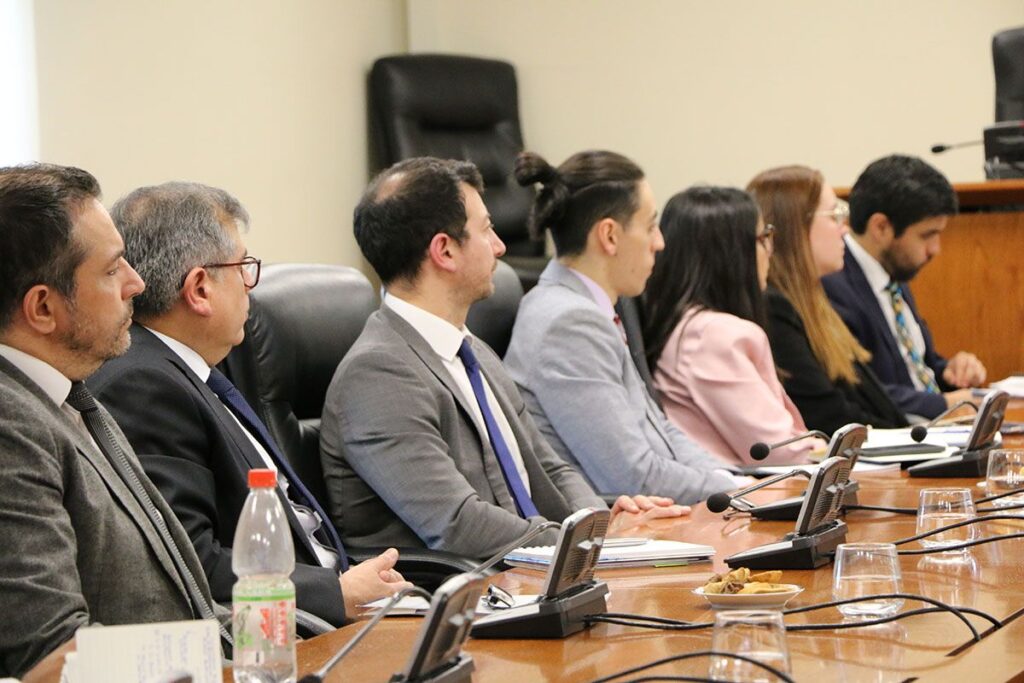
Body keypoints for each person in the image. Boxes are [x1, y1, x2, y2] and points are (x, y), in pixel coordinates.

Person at [320, 157, 687, 560]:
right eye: (486, 229)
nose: (500, 246)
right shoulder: (378, 374)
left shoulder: (473, 350)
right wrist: (586, 544)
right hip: (465, 587)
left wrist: (600, 524)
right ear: (445, 251)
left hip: (533, 570)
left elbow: (552, 469)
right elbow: (458, 524)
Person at [87, 182, 411, 628]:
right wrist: (335, 593)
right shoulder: (144, 386)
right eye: (243, 266)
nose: (249, 287)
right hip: (286, 632)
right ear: (200, 289)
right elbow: (190, 561)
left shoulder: (189, 368)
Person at [0, 164, 225, 679]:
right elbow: (54, 655)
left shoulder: (69, 394)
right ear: (43, 307)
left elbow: (187, 608)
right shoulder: (10, 426)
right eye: (111, 269)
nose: (136, 283)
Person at [504, 150, 736, 502]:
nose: (660, 242)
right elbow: (632, 477)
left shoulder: (587, 307)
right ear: (609, 235)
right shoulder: (568, 325)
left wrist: (736, 481)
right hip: (619, 525)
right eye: (650, 226)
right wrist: (740, 492)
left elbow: (661, 431)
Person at [641, 186, 817, 466]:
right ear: (730, 253)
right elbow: (780, 451)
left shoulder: (684, 323)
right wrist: (825, 448)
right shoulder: (714, 336)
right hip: (741, 490)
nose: (770, 250)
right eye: (763, 237)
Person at [747, 165, 908, 435]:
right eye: (835, 216)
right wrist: (908, 440)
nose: (845, 230)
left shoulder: (814, 300)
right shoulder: (773, 309)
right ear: (796, 227)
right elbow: (827, 416)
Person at [822, 154, 985, 419]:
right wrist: (942, 404)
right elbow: (859, 391)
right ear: (881, 227)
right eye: (927, 235)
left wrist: (950, 370)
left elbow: (914, 367)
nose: (935, 249)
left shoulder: (891, 273)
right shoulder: (833, 286)